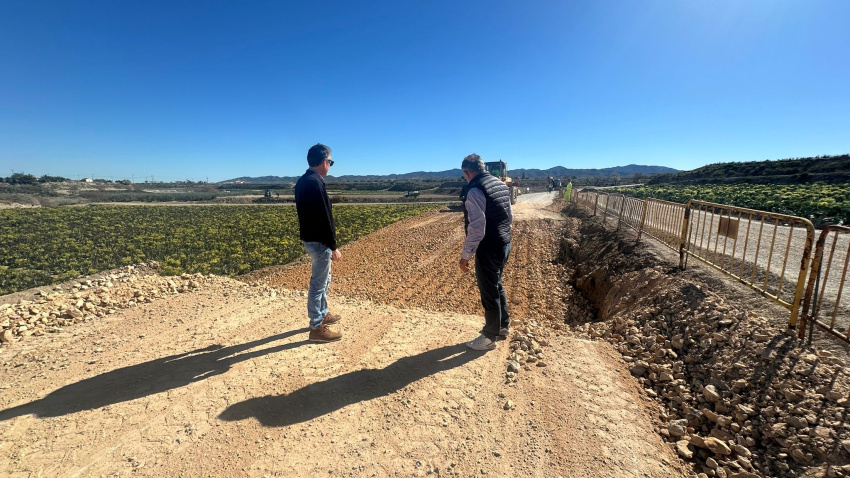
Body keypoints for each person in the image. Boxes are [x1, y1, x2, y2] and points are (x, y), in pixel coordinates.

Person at [458, 154, 513, 351]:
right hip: (504, 242)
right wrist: (504, 235)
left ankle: (490, 336)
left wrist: (466, 255)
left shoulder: (475, 189)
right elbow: (509, 215)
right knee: (497, 284)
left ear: (467, 172)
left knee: (489, 291)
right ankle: (503, 326)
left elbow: (477, 227)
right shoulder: (499, 184)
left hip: (488, 246)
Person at [294, 143, 343, 343]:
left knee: (324, 280)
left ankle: (322, 314)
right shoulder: (316, 182)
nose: (330, 165)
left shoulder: (304, 181)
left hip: (311, 238)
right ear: (324, 161)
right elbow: (325, 218)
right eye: (330, 162)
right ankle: (316, 327)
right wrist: (334, 246)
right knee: (318, 284)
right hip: (319, 241)